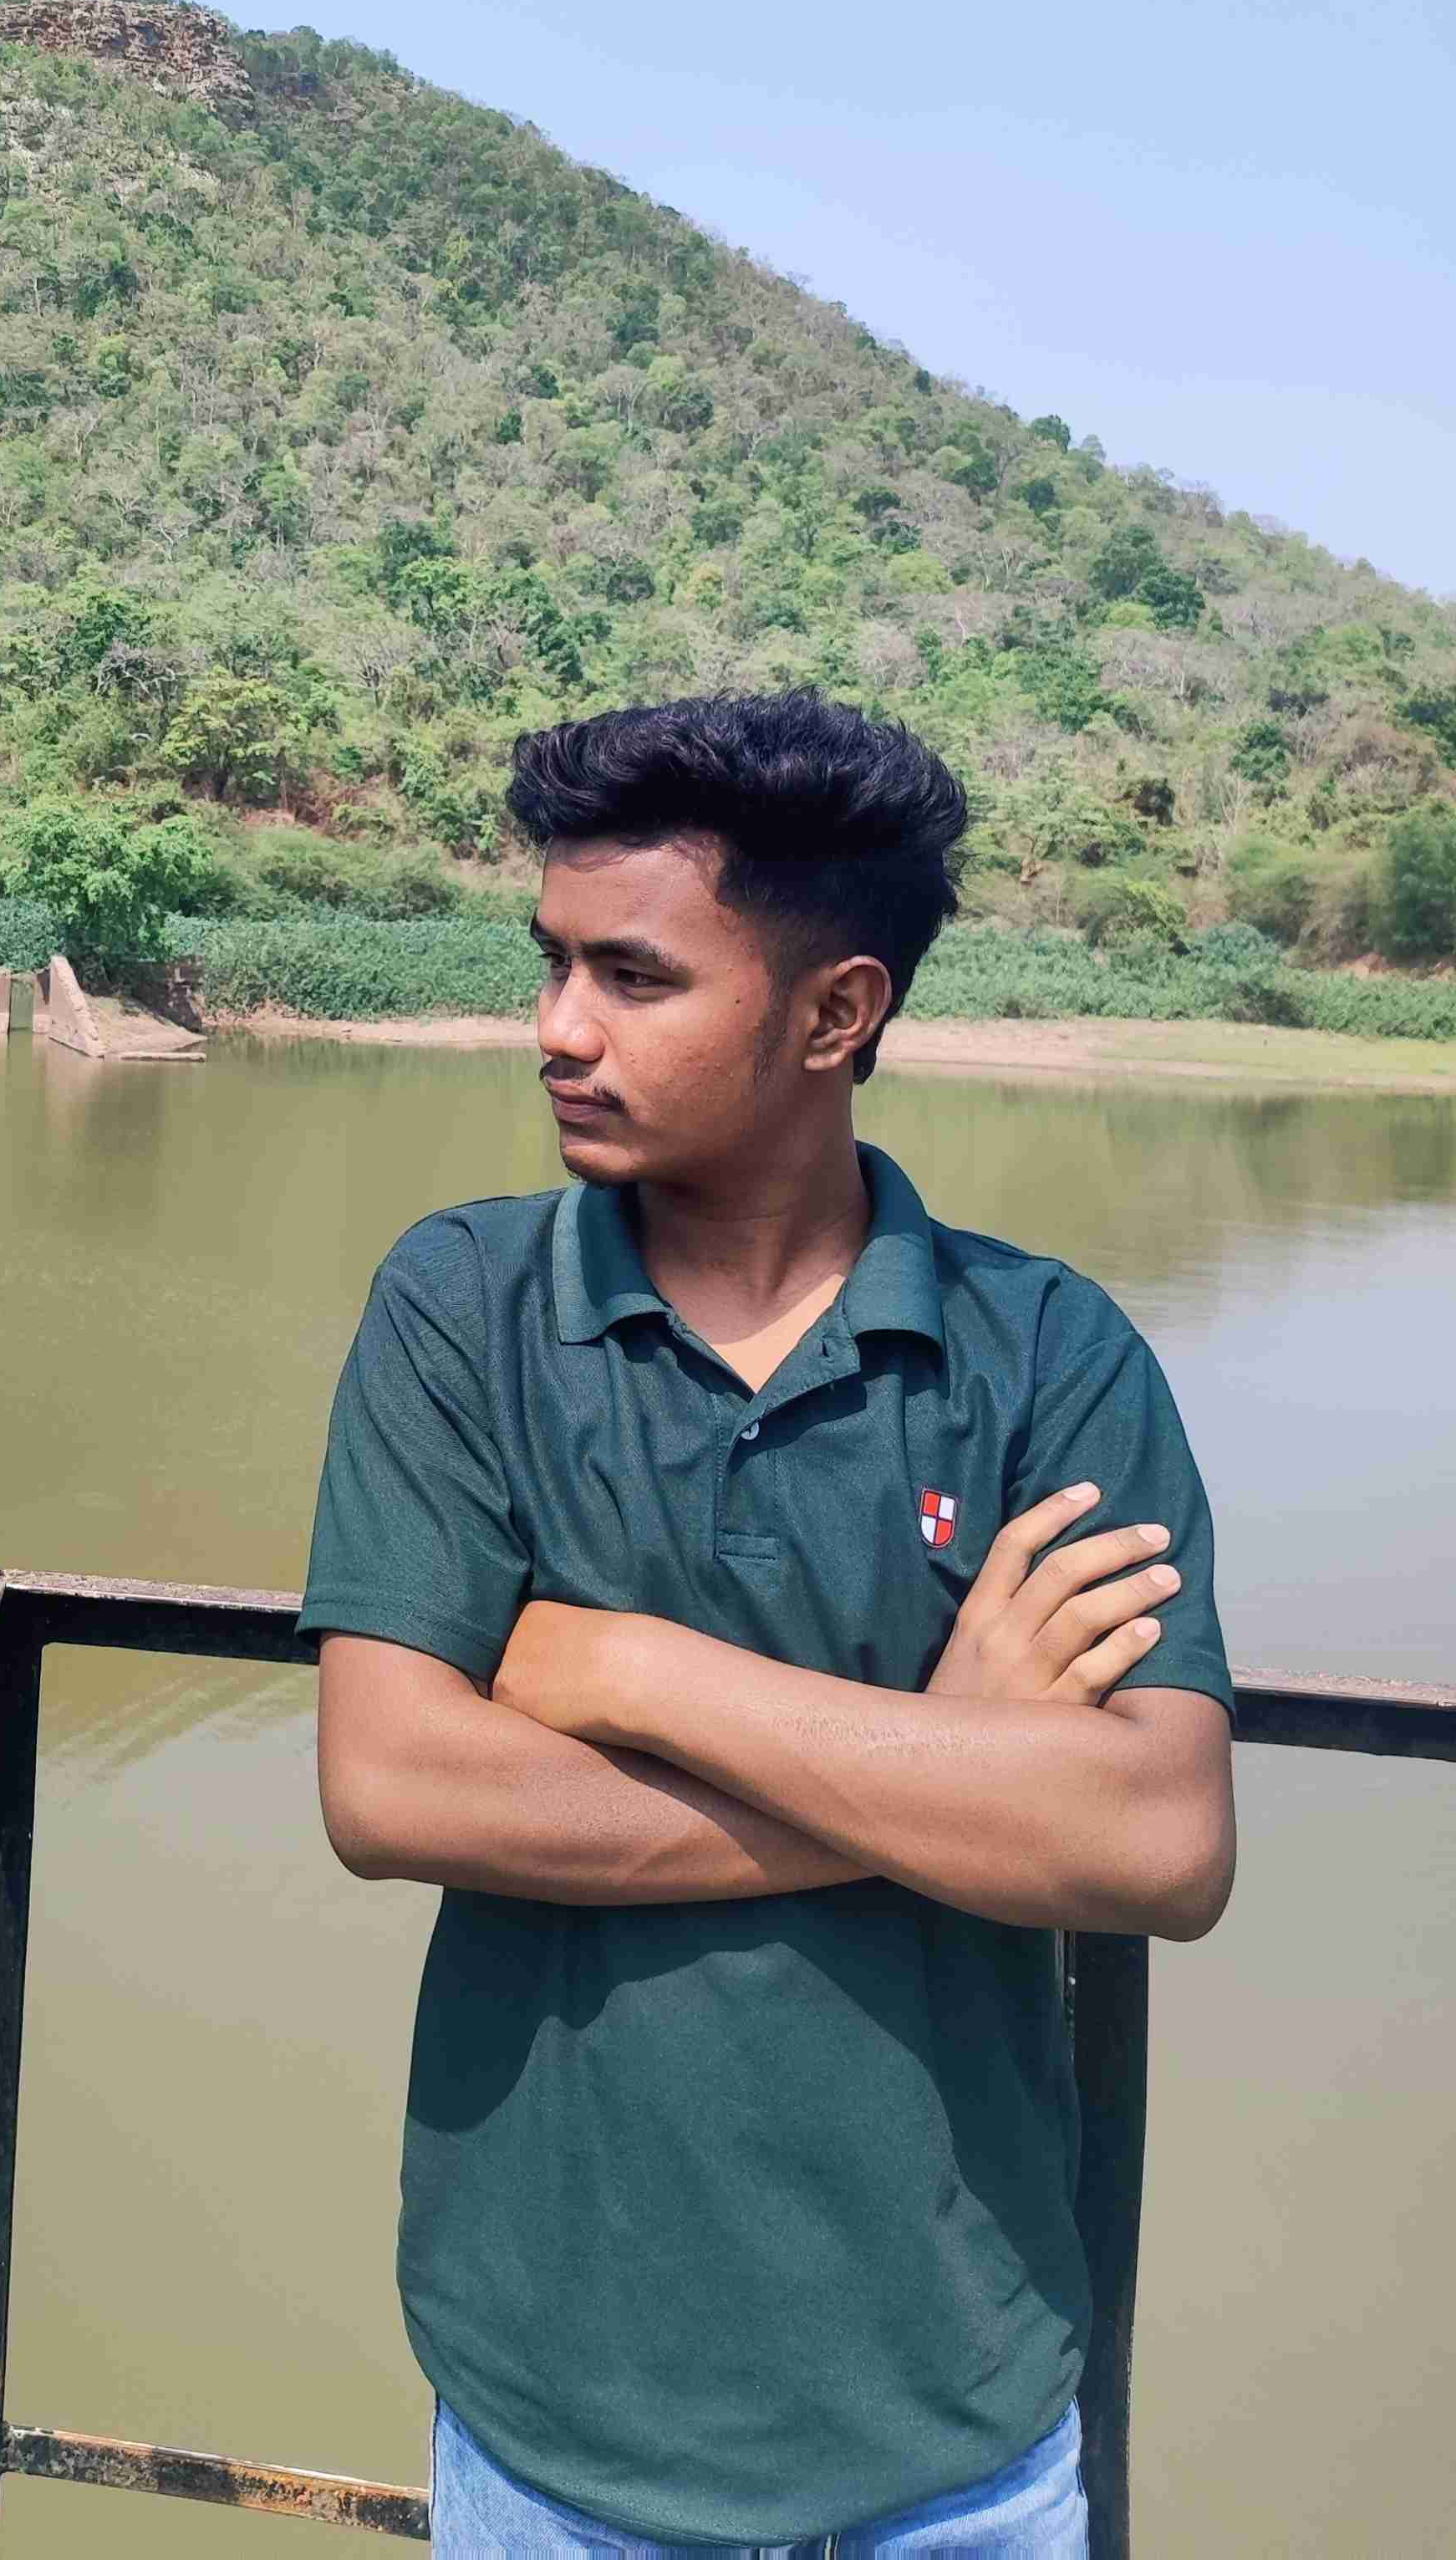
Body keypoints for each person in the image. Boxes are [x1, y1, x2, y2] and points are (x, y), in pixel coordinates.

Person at [298, 692, 1235, 2557]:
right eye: (554, 962)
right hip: (555, 2405)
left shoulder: (1044, 1354)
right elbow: (395, 1787)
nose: (559, 1027)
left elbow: (1157, 1840)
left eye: (634, 977)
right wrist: (950, 1761)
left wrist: (639, 1670)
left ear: (835, 1012)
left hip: (956, 2418)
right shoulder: (465, 1306)